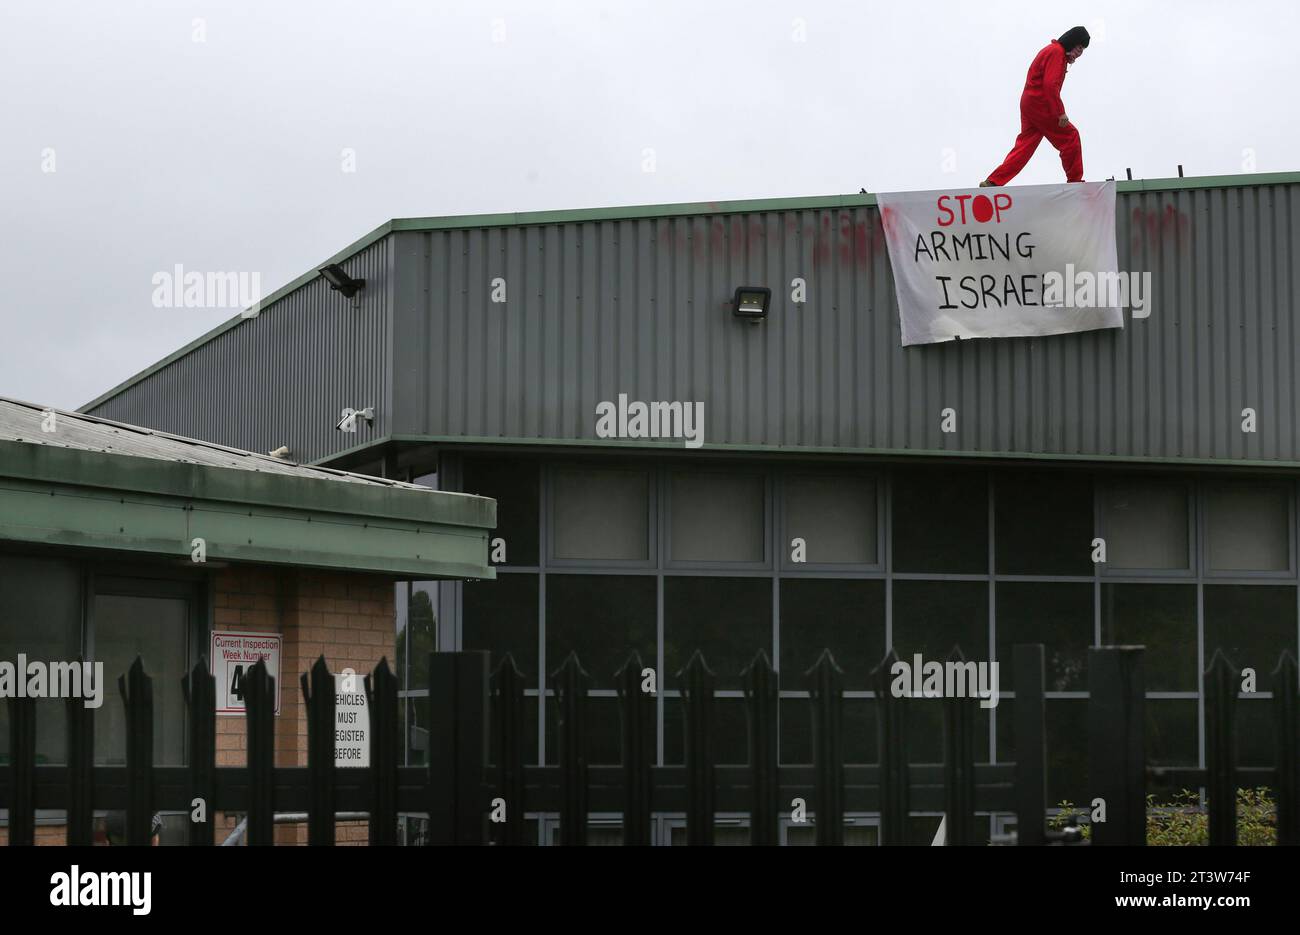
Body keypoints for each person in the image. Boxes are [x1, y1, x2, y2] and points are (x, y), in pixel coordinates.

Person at [981, 26, 1091, 187]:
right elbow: (1050, 85)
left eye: (1082, 51)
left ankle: (993, 181)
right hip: (1041, 103)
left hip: (1029, 103)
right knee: (1070, 136)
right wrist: (1060, 113)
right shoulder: (1057, 52)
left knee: (1025, 146)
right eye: (1079, 48)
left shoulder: (1052, 50)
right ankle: (1075, 183)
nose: (1079, 54)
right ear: (1072, 42)